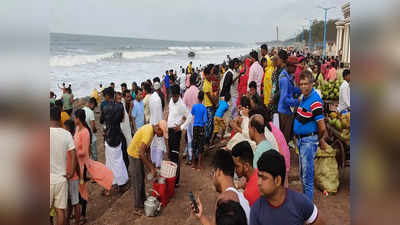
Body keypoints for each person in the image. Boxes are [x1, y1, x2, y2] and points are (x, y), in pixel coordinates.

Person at [250, 151, 324, 225]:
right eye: (259, 176)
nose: (258, 182)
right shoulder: (256, 210)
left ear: (277, 180)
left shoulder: (300, 202)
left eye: (264, 178)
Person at [73, 109, 114, 220]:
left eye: (75, 117)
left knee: (81, 188)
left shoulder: (85, 132)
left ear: (78, 118)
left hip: (82, 165)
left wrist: (74, 151)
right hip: (75, 163)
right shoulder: (77, 129)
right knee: (75, 188)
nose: (74, 119)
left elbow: (85, 152)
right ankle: (77, 210)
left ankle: (83, 214)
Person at [294, 70, 328, 200]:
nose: (303, 86)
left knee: (307, 178)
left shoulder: (315, 100)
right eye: (301, 84)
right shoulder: (304, 98)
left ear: (311, 84)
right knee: (303, 175)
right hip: (302, 141)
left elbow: (322, 127)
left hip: (308, 142)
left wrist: (318, 140)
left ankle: (308, 210)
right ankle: (306, 204)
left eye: (306, 84)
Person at [192, 149, 250, 225]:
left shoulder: (225, 200)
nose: (212, 178)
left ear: (218, 172)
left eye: (213, 173)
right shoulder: (242, 197)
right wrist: (201, 216)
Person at [127, 120, 167, 215]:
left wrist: (151, 164)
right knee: (137, 181)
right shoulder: (149, 132)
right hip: (134, 155)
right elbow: (141, 153)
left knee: (141, 178)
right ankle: (137, 207)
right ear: (158, 128)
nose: (161, 136)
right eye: (162, 133)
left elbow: (146, 149)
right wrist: (151, 168)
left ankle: (143, 200)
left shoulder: (152, 131)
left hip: (137, 154)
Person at [50, 106, 76, 225]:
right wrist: (70, 172)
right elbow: (73, 155)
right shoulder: (67, 134)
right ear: (59, 117)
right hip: (62, 178)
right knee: (61, 210)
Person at [100, 87, 129, 192]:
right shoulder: (120, 106)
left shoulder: (105, 108)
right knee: (118, 159)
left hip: (109, 136)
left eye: (105, 96)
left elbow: (101, 120)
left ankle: (115, 182)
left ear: (108, 96)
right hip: (118, 135)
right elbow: (122, 119)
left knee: (111, 161)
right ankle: (120, 181)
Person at [167, 84, 191, 186]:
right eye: (172, 96)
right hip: (170, 131)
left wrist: (181, 127)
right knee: (170, 155)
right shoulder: (171, 101)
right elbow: (170, 112)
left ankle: (176, 180)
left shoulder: (181, 105)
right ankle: (171, 177)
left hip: (176, 133)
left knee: (176, 156)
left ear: (179, 95)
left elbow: (189, 117)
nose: (173, 98)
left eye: (175, 96)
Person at [278, 55, 301, 143]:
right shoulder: (284, 79)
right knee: (285, 137)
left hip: (287, 110)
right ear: (290, 66)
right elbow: (285, 99)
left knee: (287, 135)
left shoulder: (288, 76)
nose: (296, 70)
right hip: (285, 112)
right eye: (295, 67)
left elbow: (291, 89)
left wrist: (301, 89)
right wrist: (297, 102)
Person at [231, 141, 259, 206]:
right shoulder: (258, 172)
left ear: (246, 166)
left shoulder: (249, 194)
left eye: (236, 166)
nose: (234, 169)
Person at [183, 74, 200, 165]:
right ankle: (196, 156)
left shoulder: (187, 92)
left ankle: (190, 157)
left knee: (190, 139)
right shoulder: (198, 91)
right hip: (197, 119)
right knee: (196, 138)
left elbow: (183, 105)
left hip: (189, 119)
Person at [149, 82, 166, 168]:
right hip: (157, 123)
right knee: (159, 144)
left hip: (152, 122)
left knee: (153, 143)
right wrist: (160, 126)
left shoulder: (151, 97)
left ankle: (153, 160)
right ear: (159, 89)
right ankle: (158, 163)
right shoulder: (158, 99)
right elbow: (159, 114)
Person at [190, 91, 207, 170]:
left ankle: (193, 163)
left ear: (197, 97)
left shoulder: (194, 106)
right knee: (200, 146)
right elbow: (205, 120)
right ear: (203, 98)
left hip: (195, 126)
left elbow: (192, 114)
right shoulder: (204, 107)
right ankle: (199, 165)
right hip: (201, 127)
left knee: (194, 144)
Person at [203, 64, 218, 143]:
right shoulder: (206, 84)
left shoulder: (209, 82)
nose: (210, 76)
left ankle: (208, 137)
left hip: (211, 105)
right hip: (208, 106)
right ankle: (206, 138)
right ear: (205, 75)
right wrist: (215, 104)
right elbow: (210, 97)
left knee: (211, 122)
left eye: (210, 74)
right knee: (209, 123)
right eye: (208, 75)